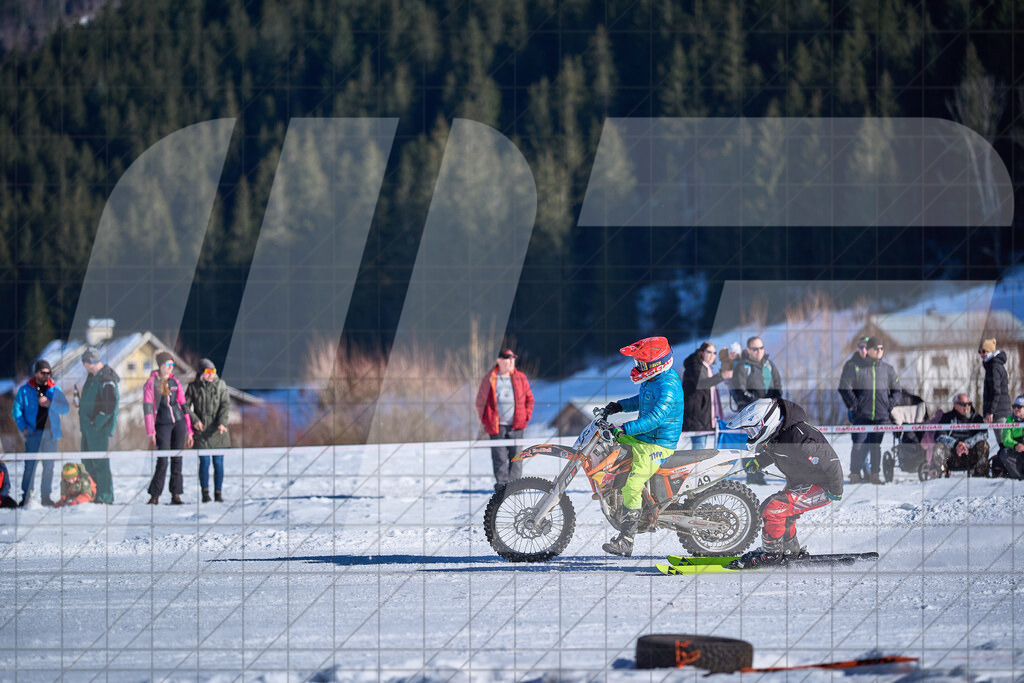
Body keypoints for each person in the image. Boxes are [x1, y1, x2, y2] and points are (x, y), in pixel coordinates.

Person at [726, 398, 844, 568]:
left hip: (823, 486)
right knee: (780, 514)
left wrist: (836, 489)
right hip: (801, 482)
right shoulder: (779, 432)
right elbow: (776, 450)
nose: (751, 436)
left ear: (767, 422)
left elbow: (831, 462)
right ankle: (789, 550)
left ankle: (771, 554)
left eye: (753, 431)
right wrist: (760, 462)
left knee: (773, 508)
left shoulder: (800, 439)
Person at [600, 336, 685, 557]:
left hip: (658, 444)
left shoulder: (668, 385)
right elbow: (641, 400)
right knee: (609, 443)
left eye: (642, 364)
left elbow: (655, 419)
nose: (639, 367)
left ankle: (626, 540)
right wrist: (618, 406)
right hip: (644, 438)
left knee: (633, 484)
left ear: (656, 363)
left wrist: (625, 429)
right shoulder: (654, 380)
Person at [837, 336, 901, 484]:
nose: (879, 351)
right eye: (876, 348)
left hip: (880, 415)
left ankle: (874, 475)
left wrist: (888, 405)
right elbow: (844, 387)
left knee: (875, 446)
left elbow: (897, 391)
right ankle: (854, 474)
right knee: (858, 444)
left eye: (881, 348)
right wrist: (855, 404)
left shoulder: (888, 369)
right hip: (861, 414)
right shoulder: (854, 366)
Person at [476, 349, 535, 495]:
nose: (511, 362)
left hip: (517, 425)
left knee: (517, 457)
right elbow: (480, 402)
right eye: (508, 359)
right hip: (497, 426)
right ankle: (502, 487)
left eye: (513, 359)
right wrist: (486, 420)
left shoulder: (521, 377)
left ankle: (515, 486)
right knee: (499, 458)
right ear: (500, 361)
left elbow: (529, 399)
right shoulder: (489, 378)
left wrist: (526, 416)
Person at [12, 360, 70, 507]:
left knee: (49, 466)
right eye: (43, 372)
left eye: (48, 373)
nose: (46, 375)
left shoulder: (55, 390)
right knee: (30, 466)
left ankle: (46, 496)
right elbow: (16, 411)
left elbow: (65, 409)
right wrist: (23, 427)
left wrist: (50, 404)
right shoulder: (25, 390)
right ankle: (26, 497)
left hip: (51, 434)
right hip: (33, 434)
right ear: (36, 373)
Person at [728, 336, 783, 485]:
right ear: (748, 350)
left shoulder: (769, 365)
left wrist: (776, 402)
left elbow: (778, 386)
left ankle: (760, 474)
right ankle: (752, 475)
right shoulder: (742, 366)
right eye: (755, 349)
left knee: (766, 445)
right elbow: (739, 389)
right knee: (750, 445)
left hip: (768, 413)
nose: (759, 351)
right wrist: (756, 402)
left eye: (761, 348)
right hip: (750, 415)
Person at [144, 351, 194, 504]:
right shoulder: (151, 383)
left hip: (178, 423)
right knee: (163, 460)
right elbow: (147, 409)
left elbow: (184, 406)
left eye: (172, 364)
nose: (171, 367)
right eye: (168, 364)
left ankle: (176, 494)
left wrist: (189, 431)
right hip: (162, 424)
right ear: (160, 365)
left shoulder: (175, 383)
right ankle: (155, 495)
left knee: (177, 459)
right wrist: (150, 431)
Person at [78, 347, 119, 504]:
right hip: (88, 427)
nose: (84, 366)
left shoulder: (106, 378)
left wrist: (97, 423)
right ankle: (93, 493)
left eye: (84, 362)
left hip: (98, 429)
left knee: (100, 463)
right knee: (88, 462)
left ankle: (105, 496)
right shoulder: (92, 377)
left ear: (90, 361)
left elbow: (110, 405)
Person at [185, 358, 230, 503]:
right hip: (201, 431)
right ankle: (205, 493)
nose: (211, 374)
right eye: (208, 371)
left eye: (214, 371)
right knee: (204, 462)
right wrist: (194, 419)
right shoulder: (193, 387)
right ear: (201, 373)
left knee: (218, 463)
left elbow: (225, 405)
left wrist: (222, 422)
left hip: (218, 431)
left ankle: (218, 493)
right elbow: (184, 405)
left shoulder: (221, 385)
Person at [681, 342, 733, 450]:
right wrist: (721, 376)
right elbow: (703, 383)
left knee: (701, 449)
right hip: (695, 417)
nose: (712, 355)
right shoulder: (694, 366)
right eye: (709, 352)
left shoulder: (707, 368)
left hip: (702, 417)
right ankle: (695, 467)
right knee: (699, 451)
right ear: (701, 352)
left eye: (714, 353)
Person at [934, 393, 988, 477]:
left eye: (969, 404)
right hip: (952, 455)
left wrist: (966, 444)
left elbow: (984, 434)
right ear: (955, 405)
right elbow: (939, 436)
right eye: (963, 404)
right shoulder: (947, 417)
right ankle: (940, 476)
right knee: (938, 446)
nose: (967, 406)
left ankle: (979, 477)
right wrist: (956, 444)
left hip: (969, 454)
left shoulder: (976, 418)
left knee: (984, 445)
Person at [979, 338, 1010, 424]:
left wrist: (991, 411)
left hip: (999, 413)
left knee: (1002, 438)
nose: (981, 354)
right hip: (998, 412)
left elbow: (996, 391)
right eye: (979, 351)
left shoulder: (994, 367)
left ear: (989, 351)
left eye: (983, 351)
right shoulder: (992, 365)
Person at [996, 395, 1024, 479]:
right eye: (1014, 406)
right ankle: (1019, 477)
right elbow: (1006, 439)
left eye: (1019, 407)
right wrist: (1016, 445)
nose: (1016, 409)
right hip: (1016, 452)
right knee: (1004, 453)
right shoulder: (1009, 420)